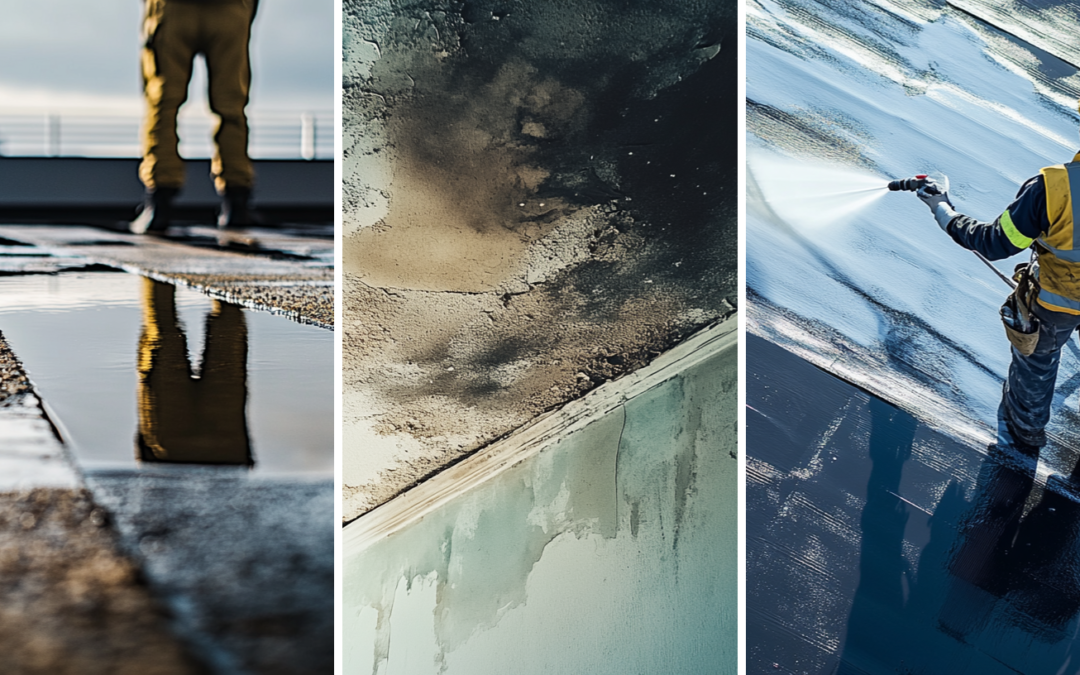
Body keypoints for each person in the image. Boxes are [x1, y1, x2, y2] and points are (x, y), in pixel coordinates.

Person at [916, 144, 1080, 454]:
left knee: (1037, 360)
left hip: (1062, 301)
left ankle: (1026, 430)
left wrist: (941, 208)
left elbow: (994, 243)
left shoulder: (1055, 187)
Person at [131, 0, 259, 234]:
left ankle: (159, 202)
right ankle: (237, 204)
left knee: (163, 105)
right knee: (231, 108)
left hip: (172, 10)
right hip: (230, 11)